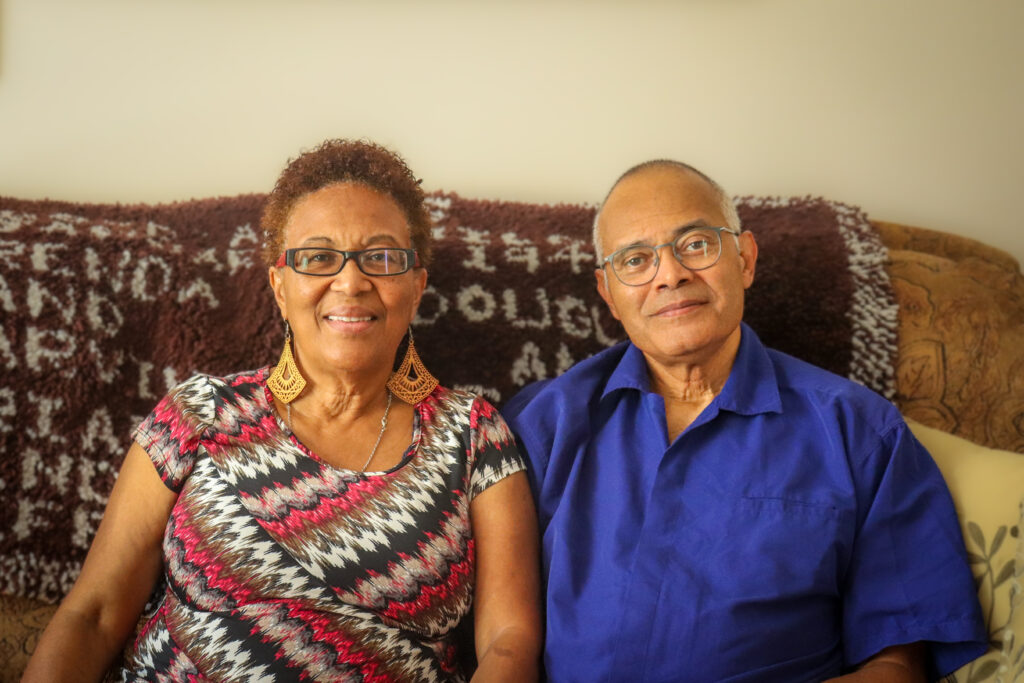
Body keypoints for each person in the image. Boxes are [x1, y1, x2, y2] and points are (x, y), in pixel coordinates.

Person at [23, 139, 541, 682]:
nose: (351, 281)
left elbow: (510, 641)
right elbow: (94, 615)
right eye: (317, 258)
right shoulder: (200, 415)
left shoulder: (471, 433)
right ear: (279, 286)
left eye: (382, 258)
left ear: (416, 288)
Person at [502, 160, 987, 682]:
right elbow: (491, 636)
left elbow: (898, 661)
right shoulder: (540, 425)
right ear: (608, 295)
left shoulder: (859, 431)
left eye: (695, 245)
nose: (670, 275)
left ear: (746, 259)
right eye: (636, 260)